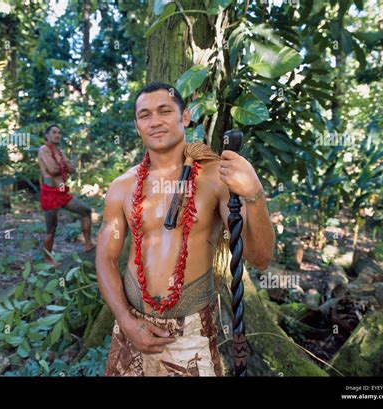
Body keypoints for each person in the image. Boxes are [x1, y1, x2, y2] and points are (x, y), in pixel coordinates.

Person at [95, 82, 275, 376]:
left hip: (189, 332)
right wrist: (127, 321)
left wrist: (254, 194)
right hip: (131, 328)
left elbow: (260, 257)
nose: (155, 121)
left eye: (165, 111)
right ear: (137, 125)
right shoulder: (122, 187)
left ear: (186, 117)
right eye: (145, 115)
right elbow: (105, 259)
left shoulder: (216, 176)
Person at [38, 125, 94, 264]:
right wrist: (65, 165)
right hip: (50, 193)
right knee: (51, 228)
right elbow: (52, 169)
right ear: (47, 135)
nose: (57, 135)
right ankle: (47, 259)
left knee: (86, 211)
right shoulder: (44, 150)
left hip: (62, 193)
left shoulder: (60, 152)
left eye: (59, 132)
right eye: (54, 132)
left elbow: (72, 169)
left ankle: (88, 244)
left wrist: (63, 165)